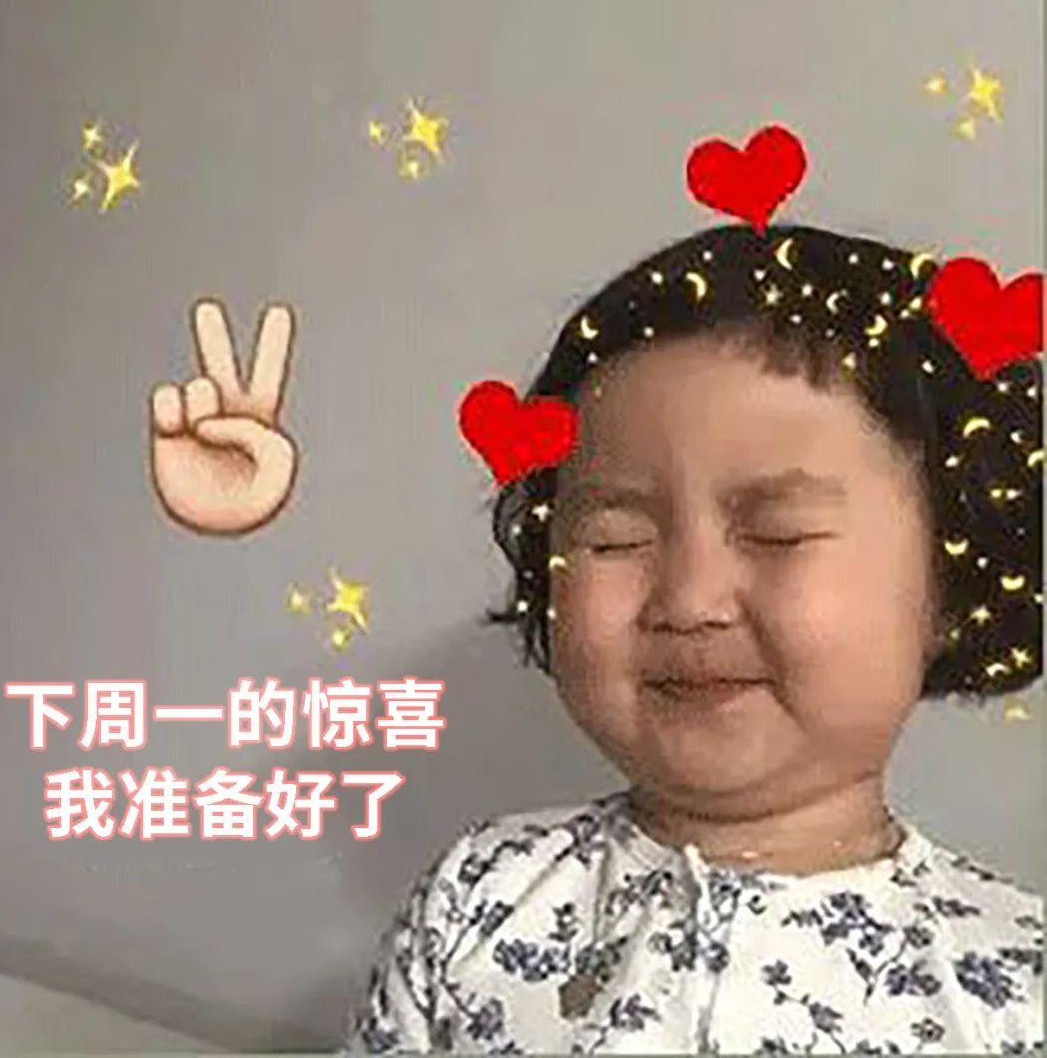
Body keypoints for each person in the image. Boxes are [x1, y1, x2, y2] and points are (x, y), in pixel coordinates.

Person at [343, 221, 1043, 1054]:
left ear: (951, 582)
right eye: (616, 541)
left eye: (779, 533)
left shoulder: (1015, 981)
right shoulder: (479, 899)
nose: (688, 600)